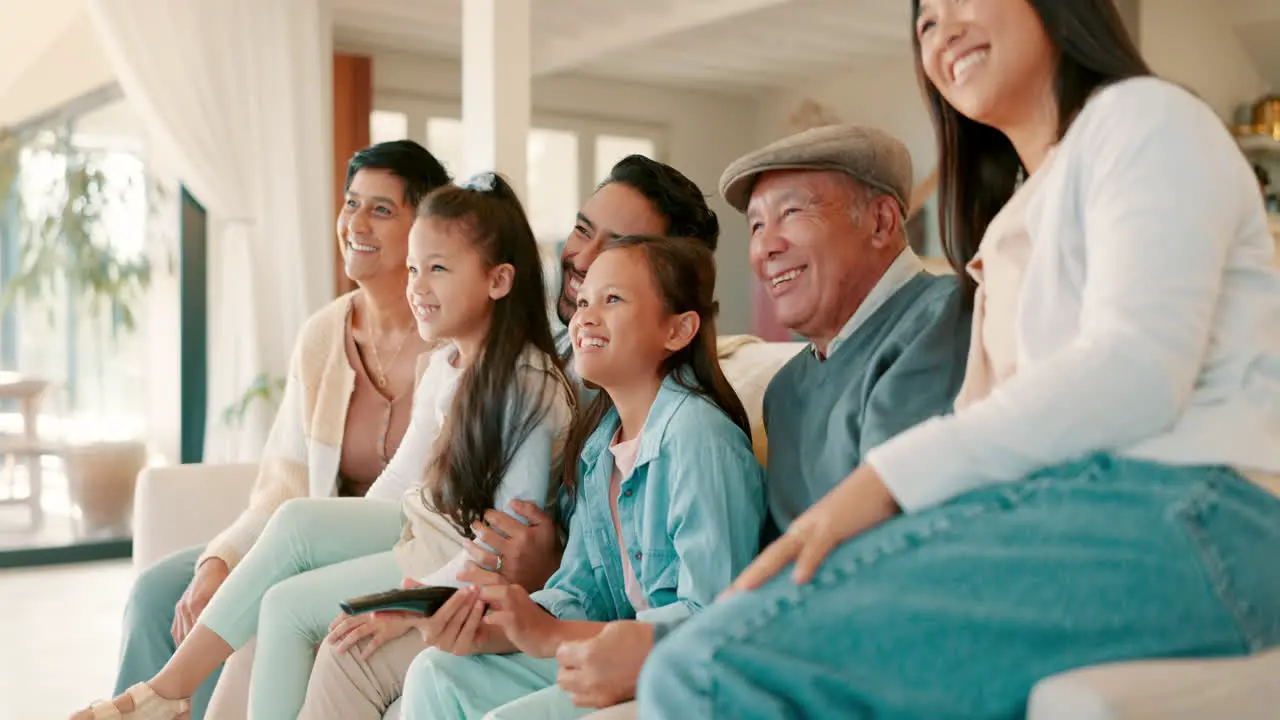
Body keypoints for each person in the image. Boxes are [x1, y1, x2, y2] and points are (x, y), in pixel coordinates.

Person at [638, 1, 1280, 718]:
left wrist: (883, 483)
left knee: (707, 667)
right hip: (1080, 520)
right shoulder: (1014, 220)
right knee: (708, 657)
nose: (941, 32)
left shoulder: (1146, 119)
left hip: (1200, 512)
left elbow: (1137, 374)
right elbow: (1000, 427)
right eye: (924, 23)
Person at [73, 173, 577, 720]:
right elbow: (399, 483)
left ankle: (165, 697)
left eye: (437, 269)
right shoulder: (446, 364)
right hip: (416, 530)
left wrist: (408, 601)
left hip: (440, 562)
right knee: (295, 521)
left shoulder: (528, 387)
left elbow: (501, 544)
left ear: (499, 281)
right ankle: (167, 691)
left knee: (286, 608)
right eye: (413, 268)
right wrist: (331, 543)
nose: (417, 286)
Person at [559, 124, 974, 717]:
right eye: (755, 226)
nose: (764, 247)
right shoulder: (790, 388)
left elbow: (885, 561)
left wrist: (664, 645)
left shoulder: (940, 320)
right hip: (781, 650)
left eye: (791, 214)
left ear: (883, 221)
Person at [110, 139, 450, 720]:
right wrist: (219, 560)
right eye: (351, 203)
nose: (355, 223)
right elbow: (282, 489)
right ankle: (146, 707)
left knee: (268, 602)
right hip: (302, 532)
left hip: (381, 547)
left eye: (381, 209)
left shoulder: (453, 340)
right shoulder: (324, 335)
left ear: (424, 226)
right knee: (159, 593)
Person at [398, 234, 768, 720]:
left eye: (613, 300)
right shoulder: (599, 449)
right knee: (435, 671)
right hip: (610, 654)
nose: (585, 317)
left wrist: (549, 636)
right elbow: (583, 591)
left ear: (677, 331)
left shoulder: (699, 438)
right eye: (584, 301)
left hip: (684, 672)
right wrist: (501, 627)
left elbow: (712, 620)